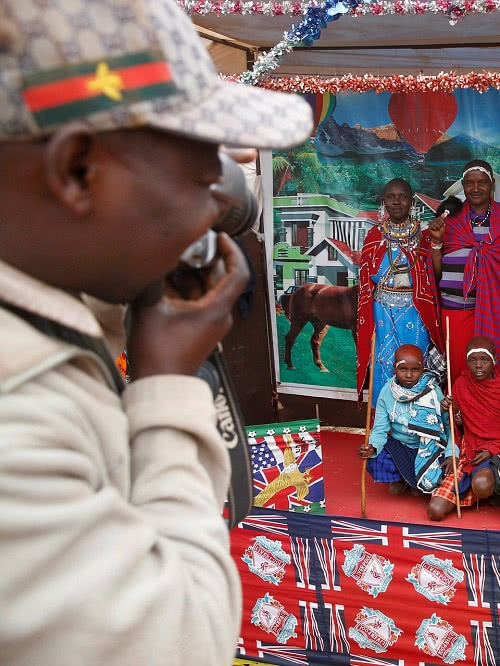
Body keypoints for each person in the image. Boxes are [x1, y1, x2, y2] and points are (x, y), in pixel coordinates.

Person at [0, 1, 313, 664]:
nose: (212, 214)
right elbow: (180, 643)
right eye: (202, 182)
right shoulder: (19, 416)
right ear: (77, 171)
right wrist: (168, 387)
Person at [356, 178, 443, 492]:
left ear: (411, 201)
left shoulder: (422, 234)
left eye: (402, 197)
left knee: (415, 378)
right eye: (390, 197)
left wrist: (434, 245)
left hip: (414, 313)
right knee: (385, 379)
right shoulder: (374, 235)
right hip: (382, 313)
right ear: (383, 201)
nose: (396, 202)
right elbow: (366, 277)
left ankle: (421, 457)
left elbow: (434, 274)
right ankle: (391, 469)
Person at [427, 160, 500, 380]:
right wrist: (436, 243)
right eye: (470, 183)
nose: (476, 188)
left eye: (482, 182)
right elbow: (436, 274)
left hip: (495, 313)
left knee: (490, 372)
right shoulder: (450, 222)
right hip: (455, 312)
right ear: (463, 185)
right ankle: (459, 415)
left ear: (492, 185)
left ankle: (490, 415)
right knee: (458, 372)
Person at [427, 336, 500, 521]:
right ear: (466, 361)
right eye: (473, 360)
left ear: (495, 360)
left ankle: (485, 490)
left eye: (484, 360)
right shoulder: (461, 384)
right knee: (435, 511)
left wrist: (492, 450)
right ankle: (473, 490)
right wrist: (452, 411)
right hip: (470, 449)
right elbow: (458, 426)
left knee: (482, 483)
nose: (478, 365)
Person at [358, 345, 455, 496]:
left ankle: (415, 481)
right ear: (394, 369)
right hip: (400, 446)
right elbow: (380, 430)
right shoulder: (386, 392)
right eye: (403, 369)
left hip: (428, 448)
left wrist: (451, 453)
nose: (409, 375)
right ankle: (401, 479)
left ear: (422, 369)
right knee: (375, 458)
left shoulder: (432, 390)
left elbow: (448, 428)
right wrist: (371, 446)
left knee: (444, 466)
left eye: (415, 370)